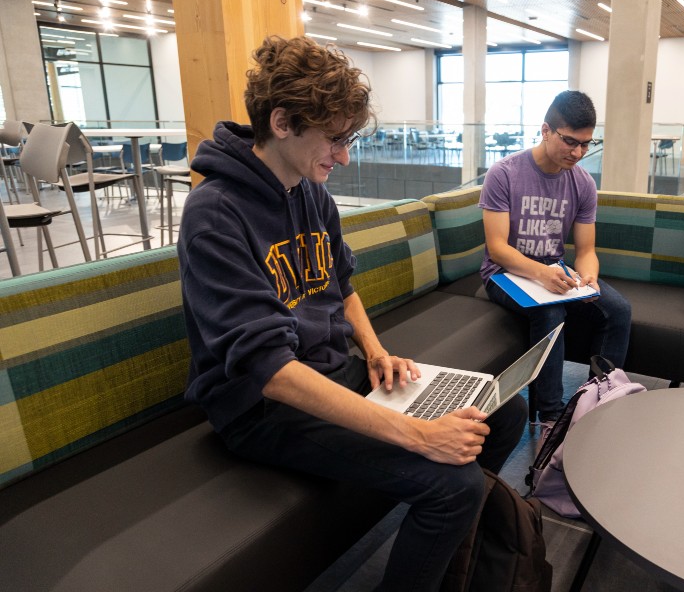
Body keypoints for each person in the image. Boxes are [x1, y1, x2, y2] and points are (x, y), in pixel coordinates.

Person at [177, 35, 525, 591]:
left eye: (348, 139)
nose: (343, 157)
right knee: (452, 486)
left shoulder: (314, 194)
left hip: (330, 367)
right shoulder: (214, 215)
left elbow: (341, 286)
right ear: (283, 122)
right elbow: (270, 373)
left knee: (503, 410)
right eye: (335, 140)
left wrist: (374, 349)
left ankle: (450, 557)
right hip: (260, 409)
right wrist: (416, 434)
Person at [480, 90, 632, 424]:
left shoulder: (583, 184)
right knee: (550, 312)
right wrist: (541, 274)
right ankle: (551, 419)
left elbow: (587, 250)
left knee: (617, 309)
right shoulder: (504, 173)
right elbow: (498, 248)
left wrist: (589, 278)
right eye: (570, 141)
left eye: (586, 144)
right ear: (546, 130)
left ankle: (597, 403)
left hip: (554, 270)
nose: (578, 153)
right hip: (504, 273)